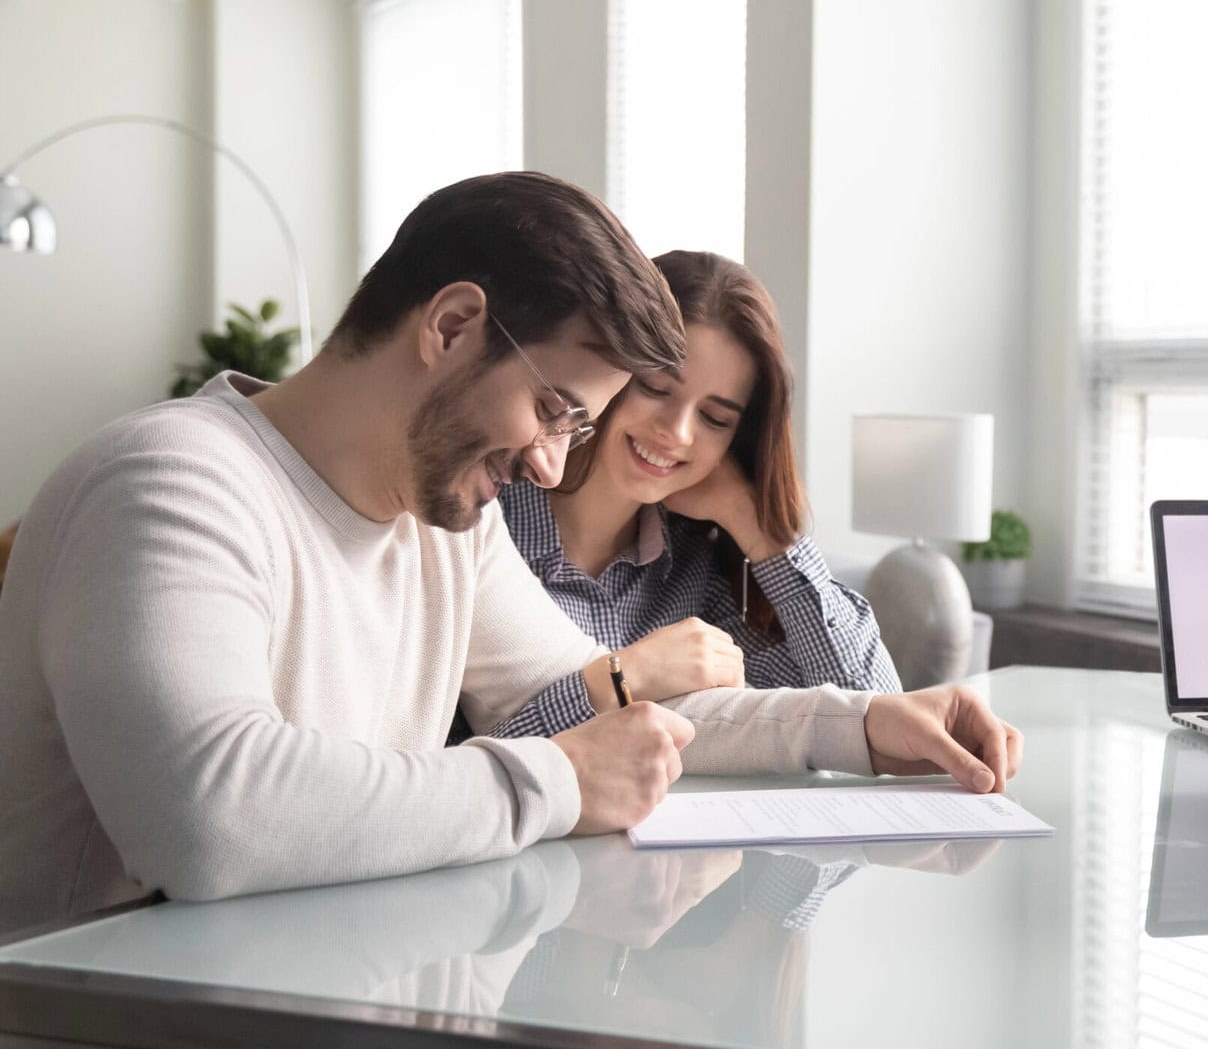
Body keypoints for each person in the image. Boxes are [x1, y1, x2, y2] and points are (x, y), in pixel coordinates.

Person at [0, 171, 1022, 935]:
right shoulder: (169, 484)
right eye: (551, 409)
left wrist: (867, 725)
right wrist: (561, 782)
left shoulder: (444, 523)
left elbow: (615, 709)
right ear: (450, 325)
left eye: (575, 428)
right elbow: (210, 819)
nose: (547, 463)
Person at [463, 250, 899, 745]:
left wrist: (755, 523)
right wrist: (628, 677)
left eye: (715, 419)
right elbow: (465, 764)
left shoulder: (701, 573)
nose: (676, 432)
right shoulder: (479, 524)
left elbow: (874, 710)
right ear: (610, 372)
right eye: (655, 388)